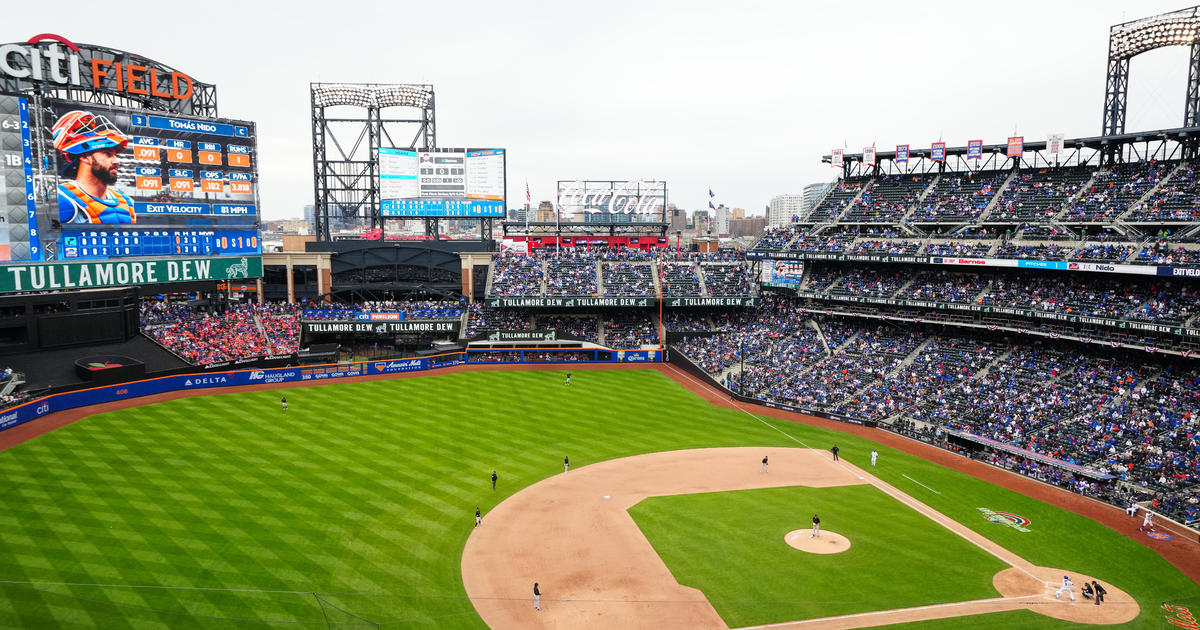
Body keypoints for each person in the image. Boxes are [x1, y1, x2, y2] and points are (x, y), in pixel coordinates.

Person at [51, 110, 136, 224]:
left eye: (115, 155)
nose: (117, 161)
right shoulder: (62, 198)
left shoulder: (127, 202)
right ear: (85, 157)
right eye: (107, 153)